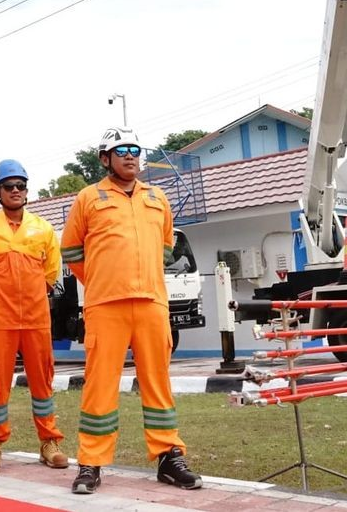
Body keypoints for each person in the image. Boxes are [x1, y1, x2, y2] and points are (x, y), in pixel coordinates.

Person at [60, 127, 202, 495]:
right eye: (120, 150)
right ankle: (91, 463)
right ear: (104, 158)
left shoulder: (158, 197)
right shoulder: (89, 198)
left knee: (158, 383)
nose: (130, 156)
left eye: (135, 150)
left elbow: (168, 246)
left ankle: (169, 457)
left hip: (153, 303)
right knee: (99, 386)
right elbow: (72, 251)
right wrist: (103, 277)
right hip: (106, 306)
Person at [0, 160, 68, 474]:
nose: (16, 191)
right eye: (9, 186)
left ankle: (50, 443)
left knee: (43, 383)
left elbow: (51, 274)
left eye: (21, 185)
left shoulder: (43, 228)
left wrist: (33, 299)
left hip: (36, 320)